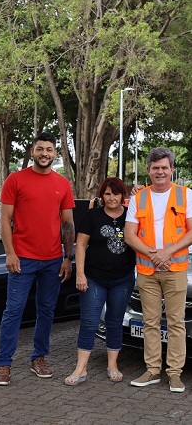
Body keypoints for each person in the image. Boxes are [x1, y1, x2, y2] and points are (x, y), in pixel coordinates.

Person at [0, 132, 76, 386]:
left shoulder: (62, 184)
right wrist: (10, 252)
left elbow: (68, 224)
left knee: (46, 310)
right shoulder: (16, 180)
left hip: (53, 260)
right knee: (14, 311)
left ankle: (38, 358)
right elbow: (4, 220)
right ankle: (4, 364)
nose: (44, 153)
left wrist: (67, 257)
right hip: (22, 259)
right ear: (32, 152)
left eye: (49, 149)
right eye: (40, 149)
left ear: (55, 154)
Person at [124, 147, 192, 393]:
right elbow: (130, 235)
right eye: (155, 168)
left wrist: (168, 252)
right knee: (150, 322)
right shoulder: (138, 198)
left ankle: (174, 373)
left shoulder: (186, 195)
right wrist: (155, 255)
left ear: (172, 169)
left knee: (175, 323)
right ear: (149, 171)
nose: (160, 171)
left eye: (164, 167)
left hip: (175, 269)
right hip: (147, 271)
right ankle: (152, 370)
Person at [64, 177, 135, 386]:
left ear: (123, 195)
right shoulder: (93, 216)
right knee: (89, 322)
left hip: (122, 280)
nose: (112, 198)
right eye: (107, 194)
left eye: (116, 193)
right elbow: (80, 246)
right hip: (94, 279)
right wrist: (80, 274)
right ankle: (81, 368)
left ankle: (112, 365)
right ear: (102, 196)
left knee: (115, 321)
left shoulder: (131, 218)